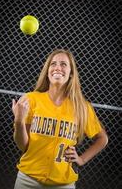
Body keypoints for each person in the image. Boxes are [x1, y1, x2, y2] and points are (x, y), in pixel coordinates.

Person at [12, 49, 108, 189]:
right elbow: (23, 146)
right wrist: (19, 121)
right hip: (28, 180)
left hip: (63, 184)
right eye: (53, 64)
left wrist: (81, 159)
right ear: (47, 71)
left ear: (71, 73)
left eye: (63, 64)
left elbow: (102, 138)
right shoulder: (31, 99)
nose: (58, 67)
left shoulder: (81, 107)